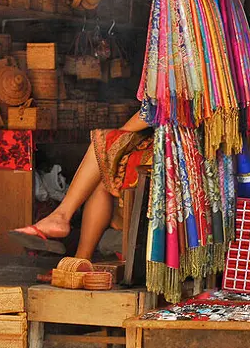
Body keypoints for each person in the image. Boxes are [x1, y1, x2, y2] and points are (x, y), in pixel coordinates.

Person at [8, 111, 154, 259]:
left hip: (172, 151)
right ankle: (79, 257)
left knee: (105, 149)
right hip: (161, 141)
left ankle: (63, 222)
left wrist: (116, 140)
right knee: (104, 168)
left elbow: (157, 107)